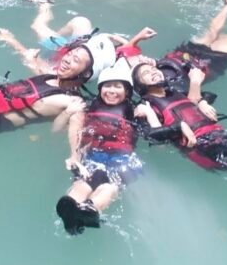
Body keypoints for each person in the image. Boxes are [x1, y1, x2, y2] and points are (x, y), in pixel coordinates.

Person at [0, 32, 116, 150]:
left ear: (86, 73)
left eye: (76, 60)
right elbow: (31, 58)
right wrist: (11, 40)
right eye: (70, 54)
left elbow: (57, 131)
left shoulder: (73, 102)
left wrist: (67, 114)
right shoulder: (50, 75)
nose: (67, 59)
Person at [56, 58, 159, 235]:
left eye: (117, 87)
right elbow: (58, 128)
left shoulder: (135, 111)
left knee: (109, 187)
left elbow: (158, 139)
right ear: (99, 89)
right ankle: (70, 211)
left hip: (122, 159)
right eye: (107, 86)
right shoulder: (88, 106)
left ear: (127, 91)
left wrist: (149, 114)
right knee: (82, 185)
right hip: (92, 156)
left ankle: (91, 209)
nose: (111, 91)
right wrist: (68, 113)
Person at [135, 63, 227, 184]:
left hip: (220, 138)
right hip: (204, 149)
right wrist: (179, 126)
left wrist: (202, 102)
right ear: (140, 84)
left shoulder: (175, 93)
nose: (153, 71)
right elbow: (152, 137)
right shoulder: (145, 107)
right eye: (146, 73)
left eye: (154, 68)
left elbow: (208, 95)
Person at [118, 0, 227, 96]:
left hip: (182, 56)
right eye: (145, 72)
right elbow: (193, 101)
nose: (144, 61)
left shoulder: (145, 67)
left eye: (142, 63)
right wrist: (195, 83)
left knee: (212, 33)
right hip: (205, 66)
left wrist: (138, 38)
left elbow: (126, 51)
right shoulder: (168, 90)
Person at [23, 0, 93, 54]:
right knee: (81, 21)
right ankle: (55, 36)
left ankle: (45, 6)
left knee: (37, 26)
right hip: (76, 49)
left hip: (66, 54)